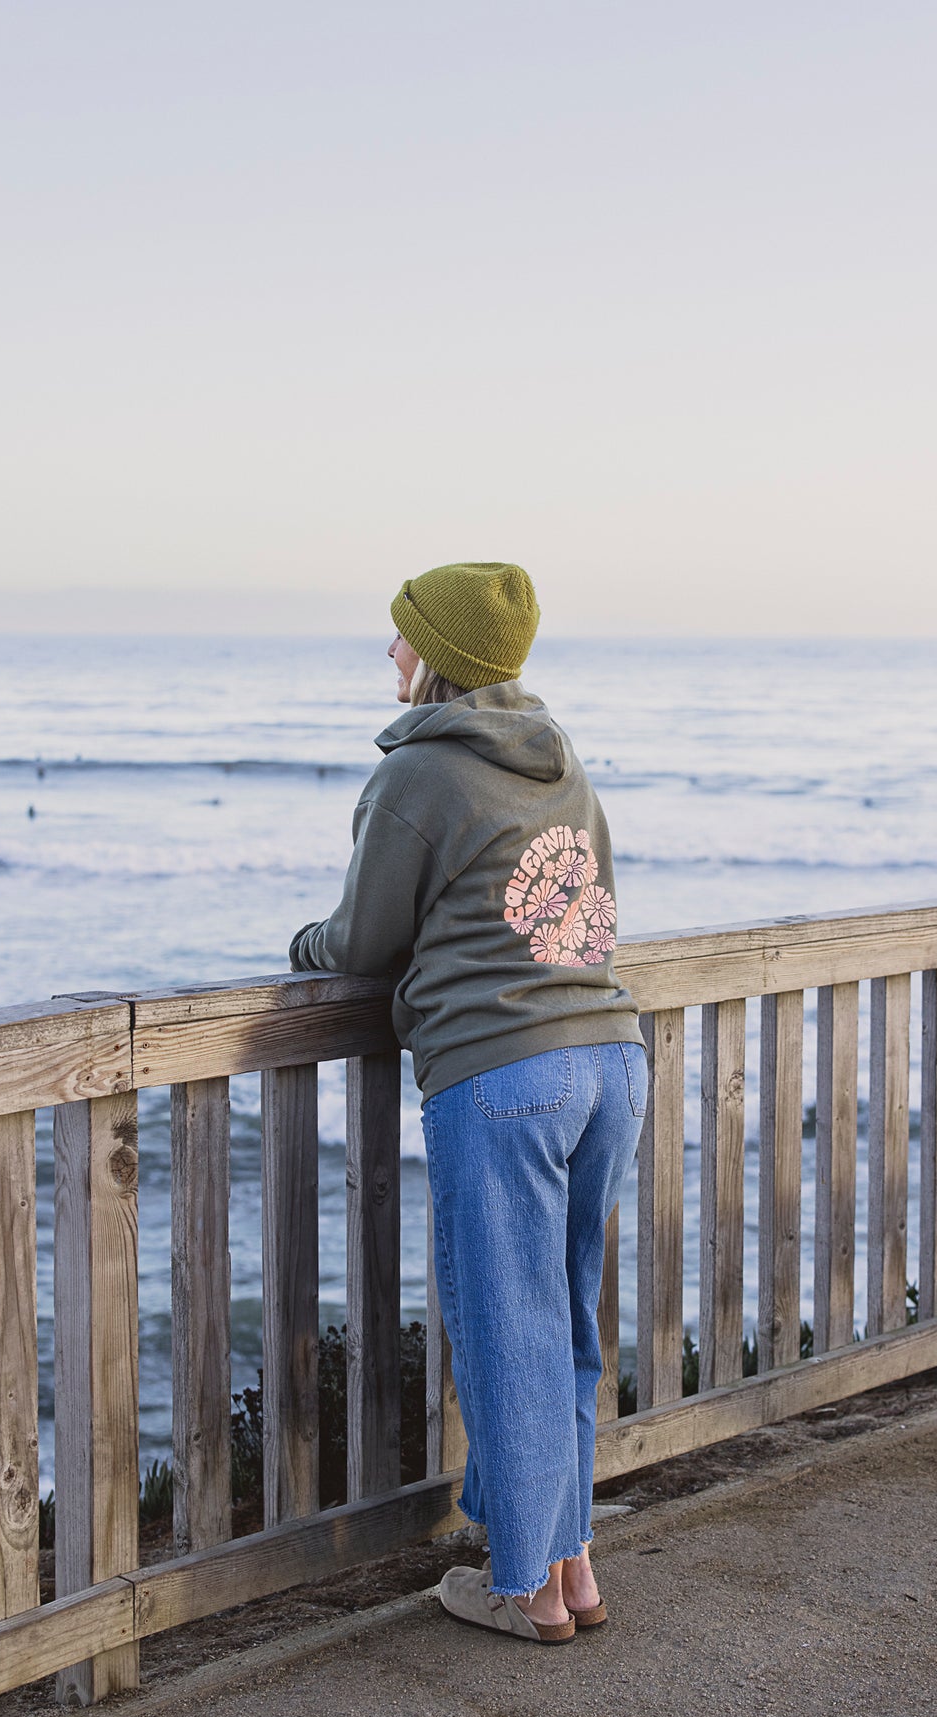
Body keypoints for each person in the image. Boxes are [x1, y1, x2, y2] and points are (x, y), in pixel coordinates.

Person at [290, 562, 646, 1645]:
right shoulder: (558, 757)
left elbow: (360, 942)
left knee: (506, 1333)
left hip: (504, 1075)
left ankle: (526, 1589)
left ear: (438, 654)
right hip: (608, 1056)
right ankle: (570, 1565)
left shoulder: (420, 778)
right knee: (563, 1323)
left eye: (400, 638)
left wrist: (305, 948)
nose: (389, 654)